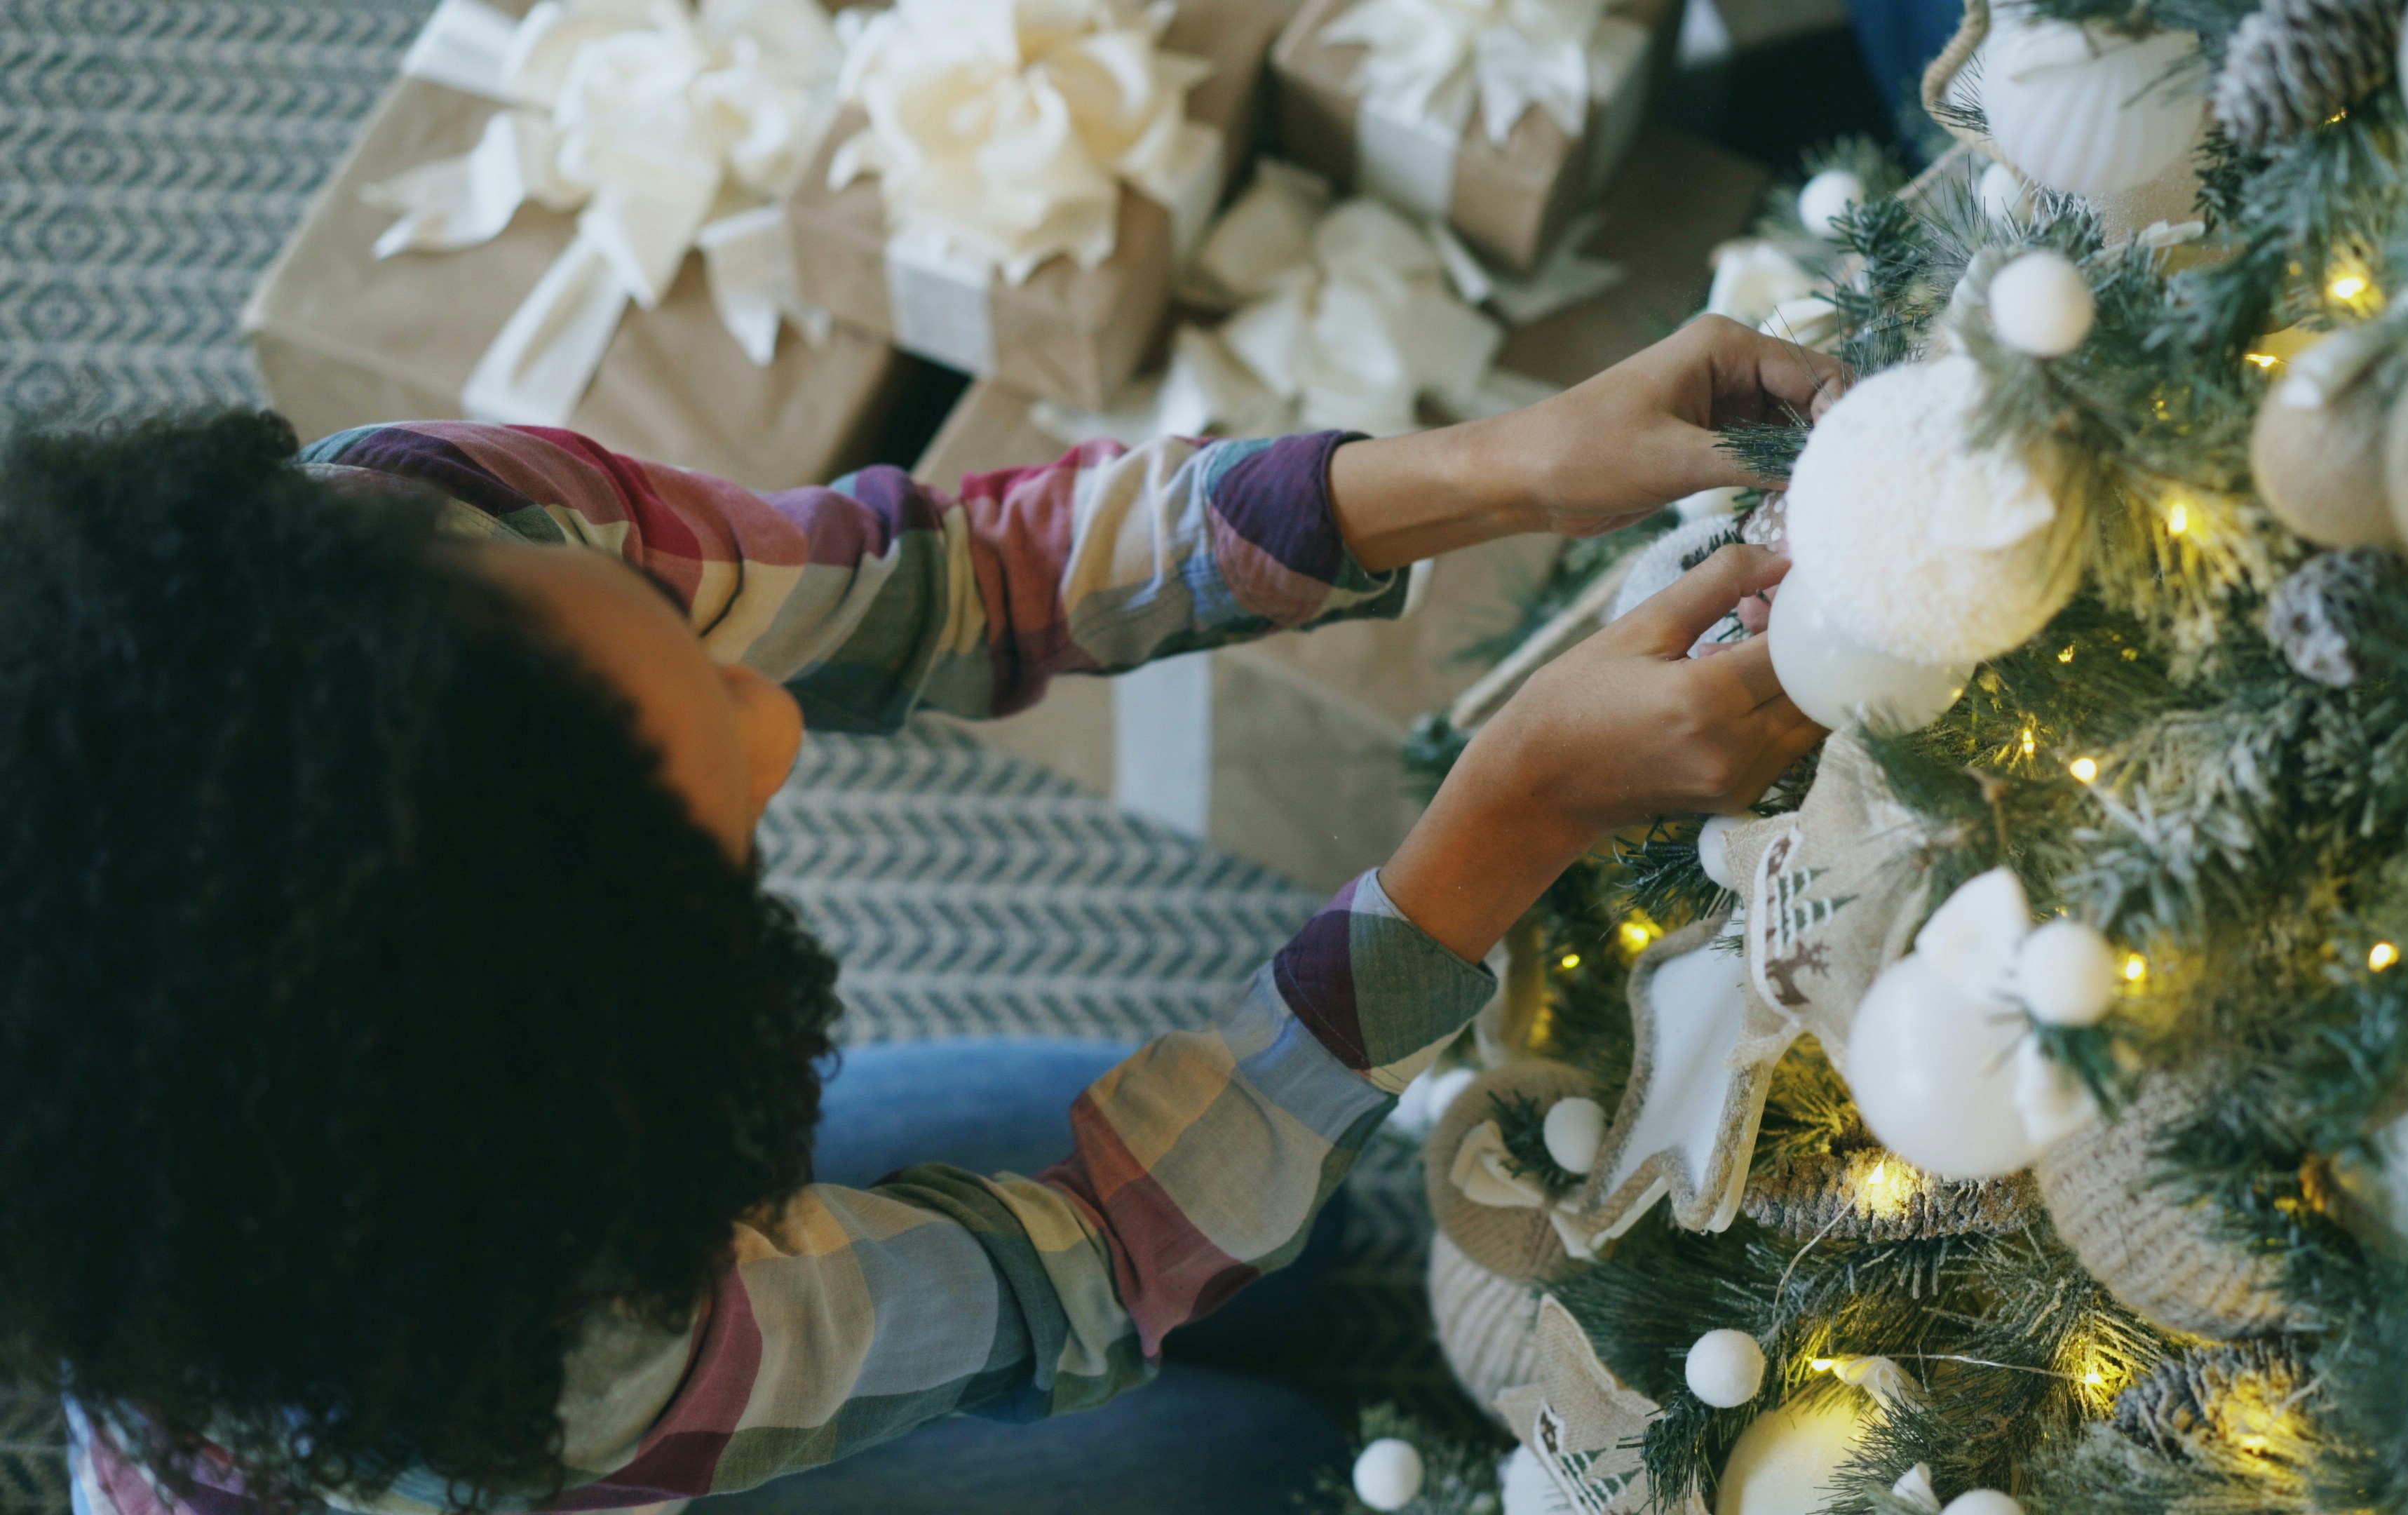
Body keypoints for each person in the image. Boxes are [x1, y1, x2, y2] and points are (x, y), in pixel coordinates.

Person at [0, 317, 1835, 1515]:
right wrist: (1509, 812)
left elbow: (941, 581)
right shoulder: (556, 1361)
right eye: (695, 810)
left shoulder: (431, 528)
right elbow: (1095, 1266)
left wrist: (1500, 466)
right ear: (554, 1062)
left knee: (1291, 1239)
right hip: (533, 1397)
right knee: (1260, 1466)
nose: (784, 719)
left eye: (693, 661)